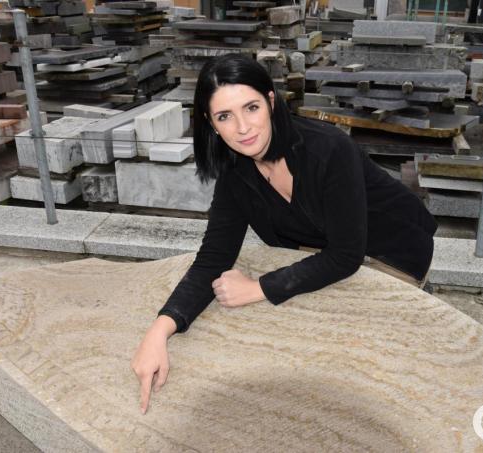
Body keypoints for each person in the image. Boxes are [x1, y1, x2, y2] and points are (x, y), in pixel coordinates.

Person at [130, 53, 438, 413]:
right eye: (225, 116)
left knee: (364, 376)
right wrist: (160, 330)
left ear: (271, 102)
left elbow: (346, 256)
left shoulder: (328, 148)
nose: (243, 128)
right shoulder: (235, 174)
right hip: (326, 249)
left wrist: (257, 288)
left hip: (393, 252)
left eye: (251, 108)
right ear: (211, 124)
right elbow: (213, 259)